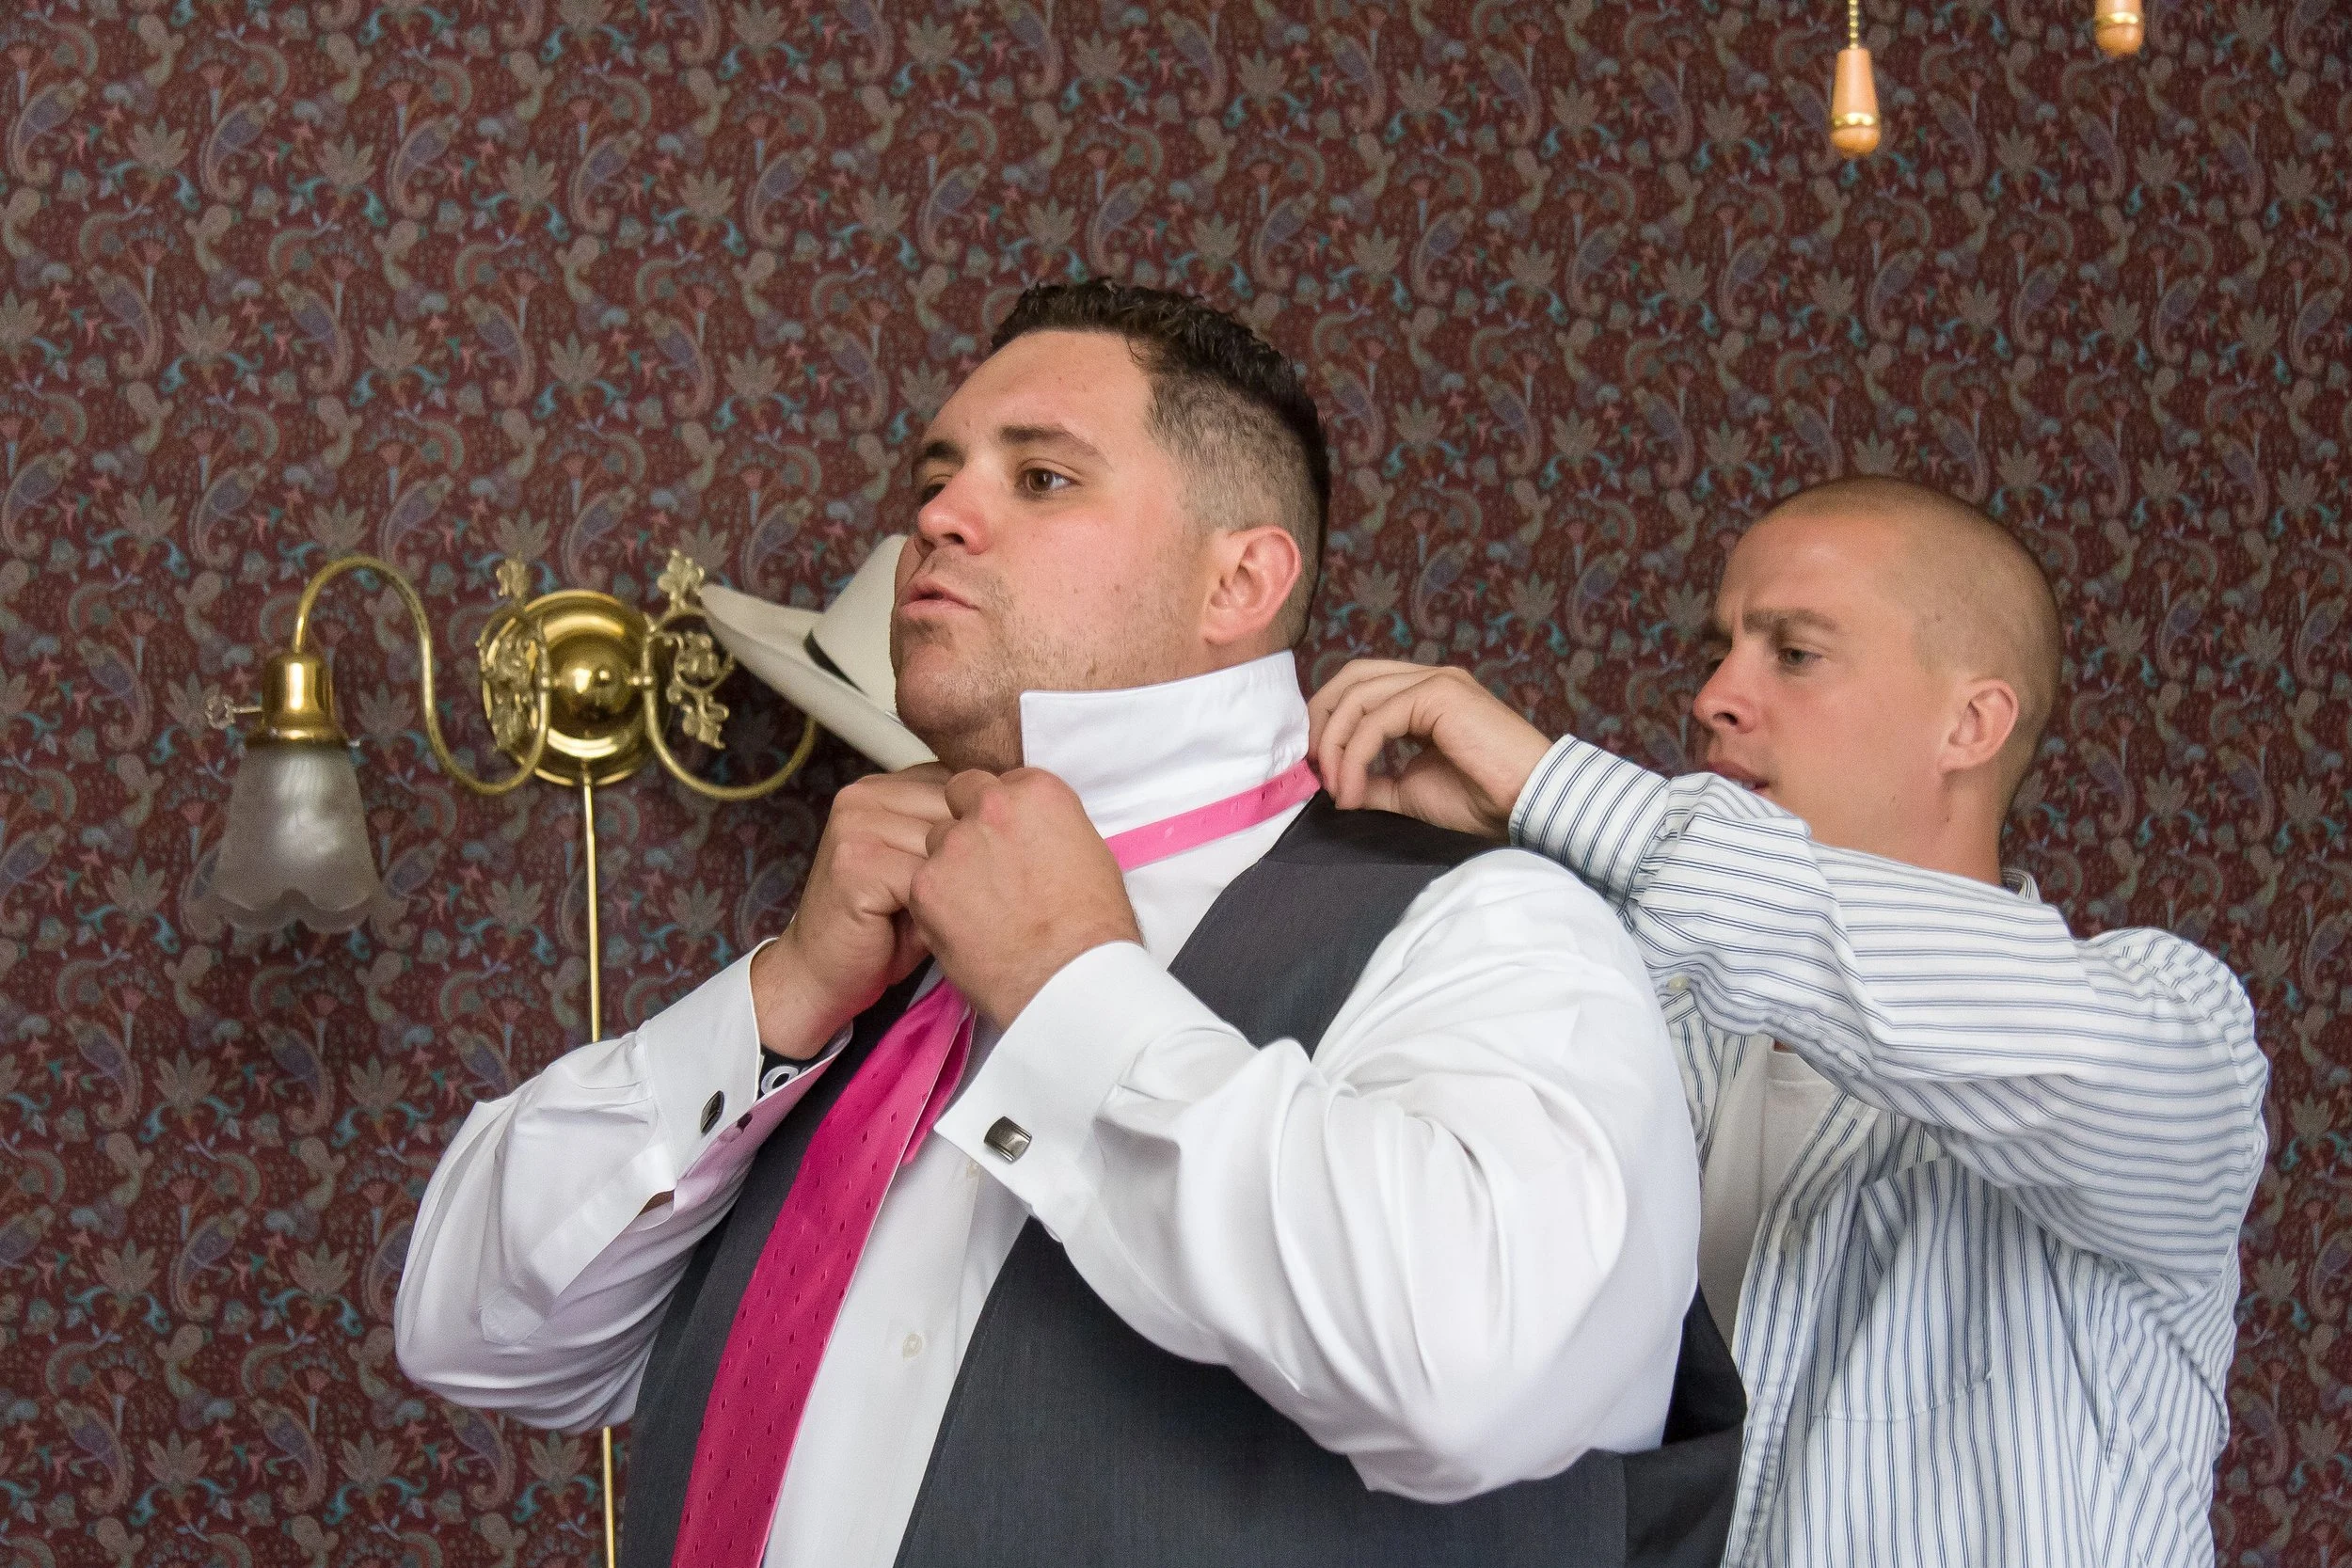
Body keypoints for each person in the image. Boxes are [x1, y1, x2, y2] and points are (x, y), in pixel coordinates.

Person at [395, 280, 1739, 1568]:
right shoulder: (858, 961)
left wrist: (1071, 992)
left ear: (1240, 581)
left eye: (1040, 476)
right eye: (937, 473)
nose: (940, 516)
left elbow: (1482, 1372)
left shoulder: (1490, 922)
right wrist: (782, 994)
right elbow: (476, 1335)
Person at [1307, 476, 2268, 1568]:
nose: (1715, 693)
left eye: (1794, 653)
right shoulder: (1624, 1022)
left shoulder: (2167, 1036)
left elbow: (1837, 947)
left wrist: (1550, 788)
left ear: (1971, 722)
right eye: (1718, 649)